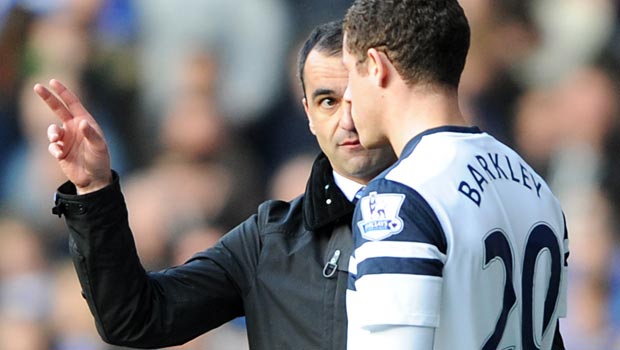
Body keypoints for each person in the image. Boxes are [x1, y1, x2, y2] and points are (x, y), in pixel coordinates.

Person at [34, 20, 397, 349]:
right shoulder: (269, 241)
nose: (346, 119)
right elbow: (136, 318)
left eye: (356, 99)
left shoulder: (446, 205)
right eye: (328, 101)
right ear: (308, 115)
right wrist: (95, 189)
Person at [341, 1, 569, 349]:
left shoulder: (398, 199)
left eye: (349, 74)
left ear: (376, 67)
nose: (347, 98)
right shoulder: (536, 186)